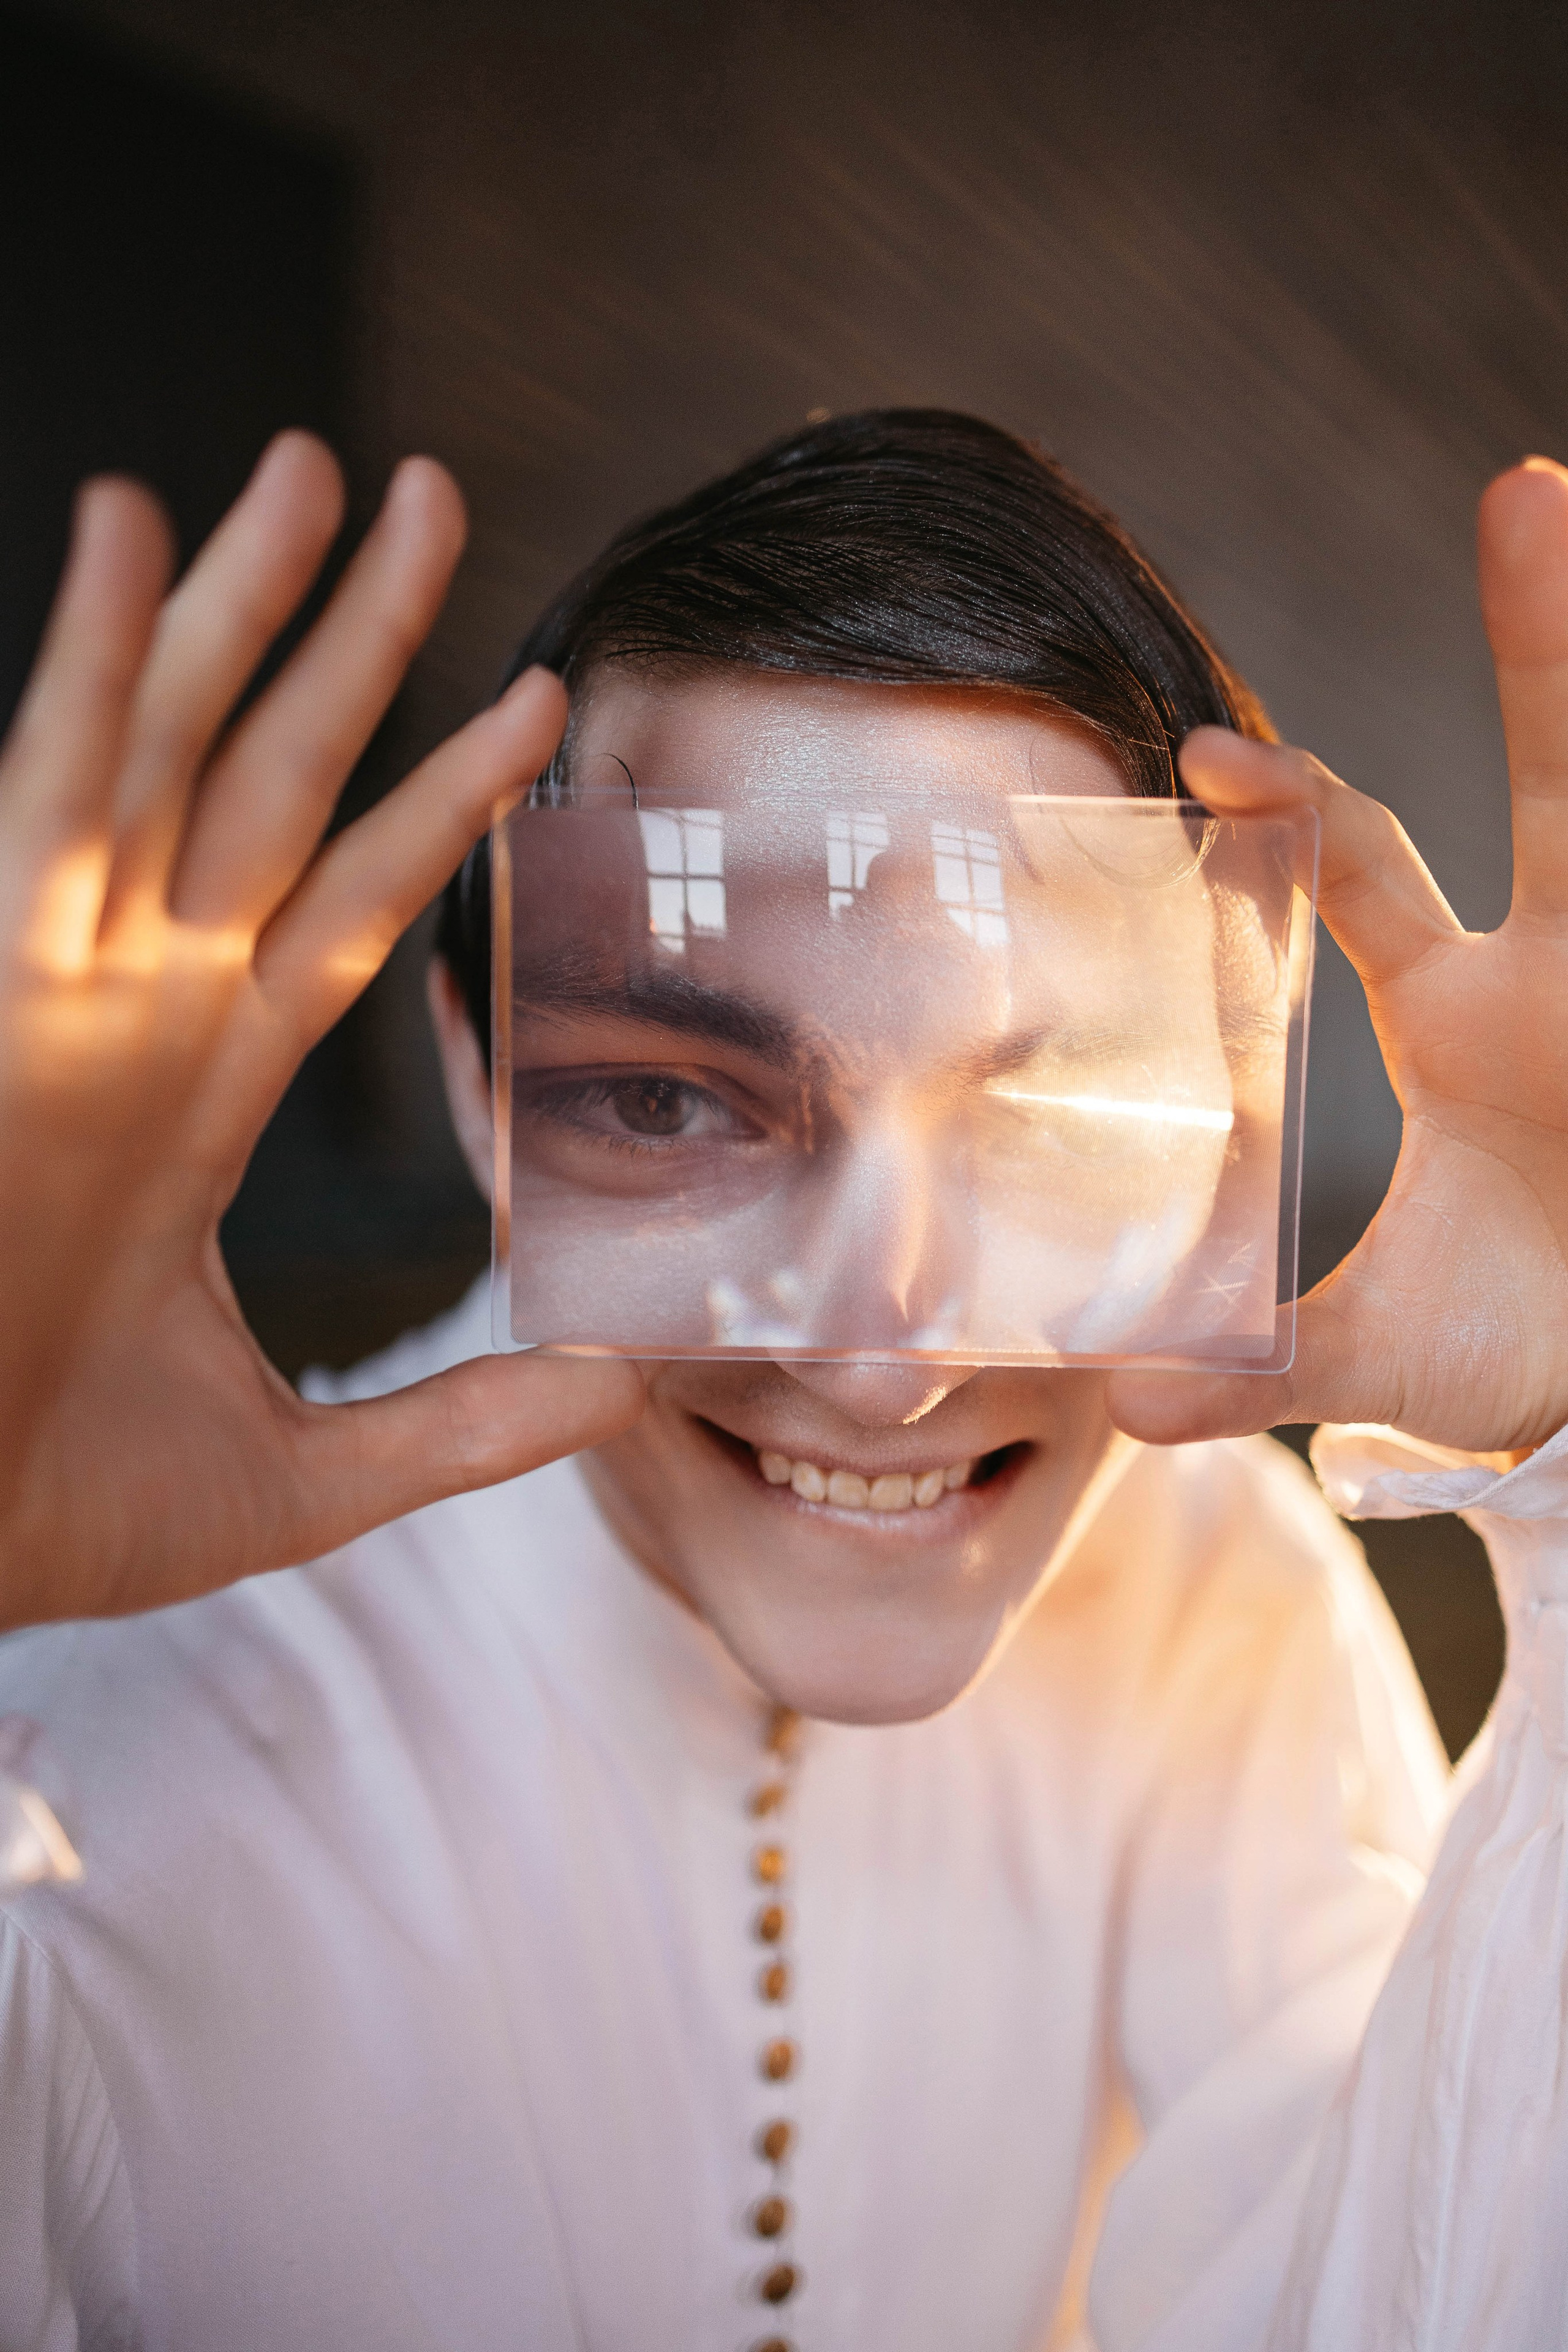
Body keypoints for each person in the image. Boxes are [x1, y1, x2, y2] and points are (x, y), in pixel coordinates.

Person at [0, 409, 1564, 2352]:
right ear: (479, 1084)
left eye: (1058, 1111)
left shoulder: (1207, 1589)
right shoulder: (91, 1733)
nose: (883, 1361)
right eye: (673, 1101)